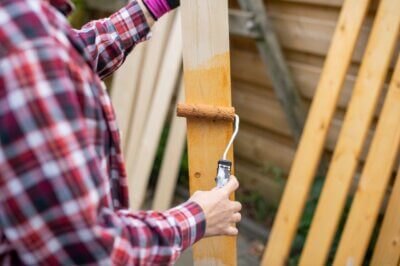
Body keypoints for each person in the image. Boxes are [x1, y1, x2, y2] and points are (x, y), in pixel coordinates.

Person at [0, 0, 242, 265]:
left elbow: (70, 57)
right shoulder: (19, 37)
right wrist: (197, 219)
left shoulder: (26, 25)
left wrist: (151, 7)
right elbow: (93, 252)